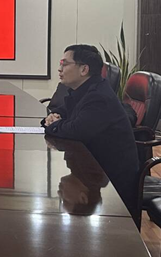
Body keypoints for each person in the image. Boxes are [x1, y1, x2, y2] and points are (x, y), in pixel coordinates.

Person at [42, 44, 139, 222]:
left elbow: (76, 131)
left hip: (114, 181)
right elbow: (64, 112)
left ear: (84, 69)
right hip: (97, 166)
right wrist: (52, 118)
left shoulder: (97, 97)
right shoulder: (85, 91)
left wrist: (54, 125)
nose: (60, 69)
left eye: (65, 64)